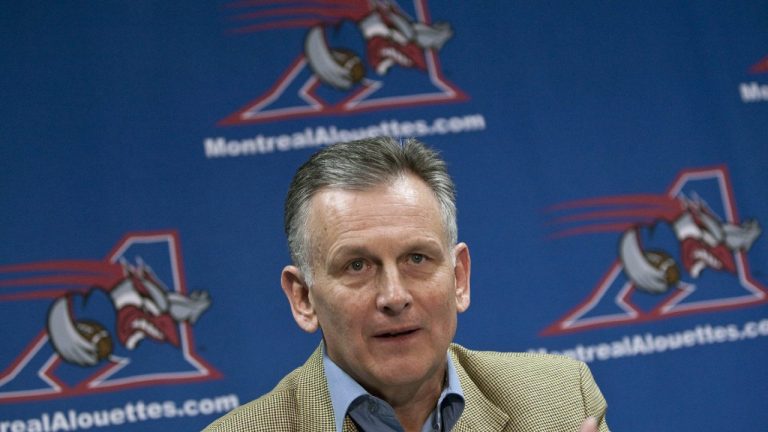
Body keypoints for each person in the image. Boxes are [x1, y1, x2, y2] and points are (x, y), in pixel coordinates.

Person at [204, 137, 609, 432]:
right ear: (303, 297)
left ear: (459, 277)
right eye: (357, 265)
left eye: (417, 259)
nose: (394, 297)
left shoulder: (560, 400)